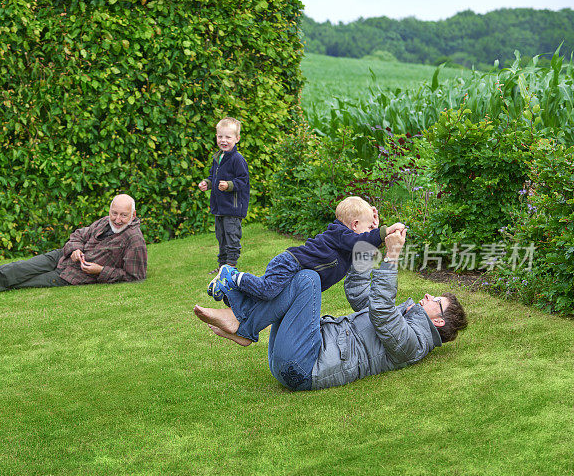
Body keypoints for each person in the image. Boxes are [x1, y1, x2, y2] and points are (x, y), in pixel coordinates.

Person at [193, 228, 468, 391]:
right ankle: (243, 324)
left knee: (309, 279)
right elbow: (361, 296)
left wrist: (392, 256)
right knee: (303, 278)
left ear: (439, 321)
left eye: (437, 301)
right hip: (298, 355)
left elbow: (381, 312)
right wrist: (365, 242)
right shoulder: (405, 321)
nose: (429, 295)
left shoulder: (414, 344)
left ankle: (244, 324)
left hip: (303, 367)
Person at [0, 194, 147, 300]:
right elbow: (78, 234)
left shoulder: (134, 241)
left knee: (19, 282)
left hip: (73, 276)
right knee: (13, 269)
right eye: (114, 213)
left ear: (133, 215)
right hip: (60, 258)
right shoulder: (103, 221)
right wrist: (74, 250)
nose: (117, 219)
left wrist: (101, 272)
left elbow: (135, 276)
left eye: (123, 215)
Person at [208, 196, 405, 301]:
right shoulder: (340, 234)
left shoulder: (347, 243)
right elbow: (360, 242)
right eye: (367, 226)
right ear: (354, 225)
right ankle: (231, 274)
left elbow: (363, 251)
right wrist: (383, 231)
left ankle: (229, 292)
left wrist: (375, 228)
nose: (370, 230)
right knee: (268, 290)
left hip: (295, 268)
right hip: (290, 263)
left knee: (271, 298)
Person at [198, 117, 249, 273]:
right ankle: (222, 266)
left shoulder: (237, 159)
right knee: (221, 237)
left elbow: (243, 180)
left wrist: (229, 185)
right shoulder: (218, 157)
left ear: (237, 138)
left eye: (228, 137)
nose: (223, 140)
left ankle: (231, 265)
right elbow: (214, 176)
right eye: (220, 136)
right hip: (220, 207)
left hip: (233, 207)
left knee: (231, 236)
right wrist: (207, 183)